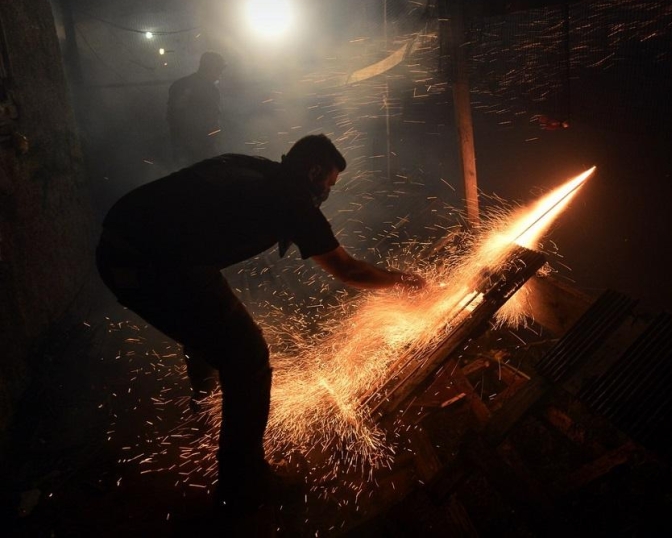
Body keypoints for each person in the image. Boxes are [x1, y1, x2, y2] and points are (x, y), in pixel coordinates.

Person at [95, 134, 425, 512]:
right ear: (313, 170)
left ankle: (204, 407)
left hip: (130, 247)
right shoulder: (290, 199)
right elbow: (347, 269)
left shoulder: (250, 166)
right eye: (329, 183)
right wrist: (406, 282)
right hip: (145, 263)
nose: (327, 193)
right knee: (248, 357)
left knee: (204, 323)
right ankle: (243, 483)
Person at [166, 51, 226, 167]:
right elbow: (175, 117)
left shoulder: (181, 84)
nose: (220, 74)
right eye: (219, 70)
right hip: (194, 150)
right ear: (211, 68)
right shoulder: (205, 89)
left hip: (191, 149)